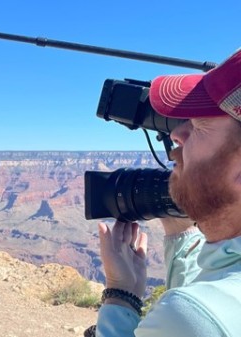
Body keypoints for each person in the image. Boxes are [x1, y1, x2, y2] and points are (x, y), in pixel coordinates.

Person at [95, 49, 241, 336]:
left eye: (199, 124)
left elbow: (197, 315)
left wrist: (121, 294)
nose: (176, 134)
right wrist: (180, 237)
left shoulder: (200, 316)